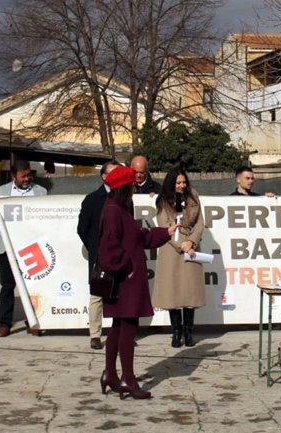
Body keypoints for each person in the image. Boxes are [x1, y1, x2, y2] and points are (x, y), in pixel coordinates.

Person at [97, 166, 178, 399]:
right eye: (131, 185)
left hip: (127, 278)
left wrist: (165, 233)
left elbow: (138, 237)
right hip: (125, 280)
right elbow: (108, 248)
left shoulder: (120, 208)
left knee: (119, 326)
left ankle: (111, 375)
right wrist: (125, 268)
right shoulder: (113, 210)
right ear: (123, 187)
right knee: (128, 327)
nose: (134, 188)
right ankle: (128, 380)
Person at [0, 159, 48, 337]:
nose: (27, 179)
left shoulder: (40, 192)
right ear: (14, 177)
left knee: (33, 286)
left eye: (29, 175)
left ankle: (34, 322)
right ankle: (5, 323)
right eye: (23, 176)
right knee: (7, 286)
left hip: (30, 246)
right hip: (7, 246)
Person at [151, 168, 205, 348]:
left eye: (184, 182)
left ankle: (189, 331)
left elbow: (200, 223)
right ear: (171, 183)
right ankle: (176, 332)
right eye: (178, 183)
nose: (182, 186)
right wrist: (180, 245)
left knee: (190, 293)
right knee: (173, 293)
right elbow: (164, 225)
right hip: (172, 250)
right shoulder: (163, 200)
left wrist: (191, 242)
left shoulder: (194, 196)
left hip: (191, 249)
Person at [77, 160, 121, 349]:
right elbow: (82, 229)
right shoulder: (92, 199)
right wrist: (95, 248)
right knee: (97, 295)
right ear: (104, 177)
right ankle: (95, 335)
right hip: (99, 256)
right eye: (113, 173)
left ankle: (119, 333)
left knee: (120, 294)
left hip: (119, 254)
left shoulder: (123, 198)